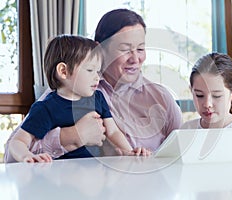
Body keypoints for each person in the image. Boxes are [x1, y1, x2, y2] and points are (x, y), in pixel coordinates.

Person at [4, 9, 182, 162]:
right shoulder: (65, 92)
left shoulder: (162, 98)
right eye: (125, 49)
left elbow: (181, 153)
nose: (135, 59)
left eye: (141, 49)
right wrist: (71, 136)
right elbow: (10, 158)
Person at [8, 34, 150, 163]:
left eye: (98, 71)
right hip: (58, 177)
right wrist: (26, 156)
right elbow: (18, 141)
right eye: (90, 70)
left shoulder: (98, 98)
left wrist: (129, 152)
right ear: (63, 71)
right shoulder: (45, 108)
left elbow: (113, 132)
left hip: (94, 174)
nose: (97, 77)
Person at [181, 52, 232, 129]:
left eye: (216, 96)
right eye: (199, 95)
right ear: (191, 91)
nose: (207, 104)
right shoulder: (187, 129)